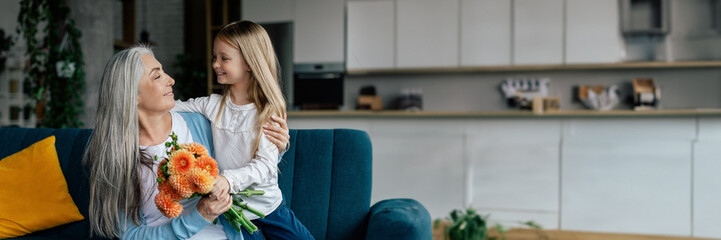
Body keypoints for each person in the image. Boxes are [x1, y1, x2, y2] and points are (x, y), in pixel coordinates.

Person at [83, 46, 290, 239]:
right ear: (132, 95)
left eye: (164, 72)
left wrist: (274, 149)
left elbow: (238, 162)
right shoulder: (115, 155)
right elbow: (129, 235)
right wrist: (198, 217)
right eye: (157, 76)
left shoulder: (200, 123)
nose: (171, 80)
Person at [172, 20, 314, 240]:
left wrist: (227, 180)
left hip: (271, 208)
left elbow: (265, 165)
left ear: (249, 62)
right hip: (234, 213)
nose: (215, 64)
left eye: (224, 58)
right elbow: (176, 106)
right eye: (214, 57)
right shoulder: (213, 105)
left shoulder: (268, 111)